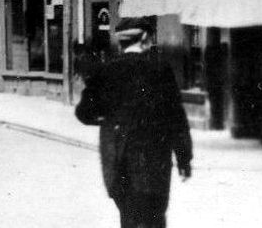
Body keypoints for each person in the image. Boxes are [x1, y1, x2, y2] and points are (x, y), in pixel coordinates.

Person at [75, 17, 192, 228]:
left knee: (128, 218)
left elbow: (84, 113)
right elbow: (176, 118)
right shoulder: (160, 70)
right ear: (145, 38)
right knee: (154, 219)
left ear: (121, 42)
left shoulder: (106, 71)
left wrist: (108, 119)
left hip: (118, 161)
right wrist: (184, 159)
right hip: (154, 163)